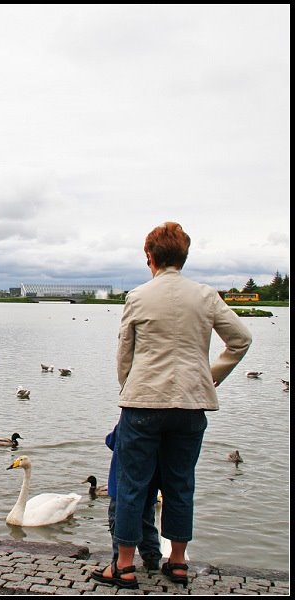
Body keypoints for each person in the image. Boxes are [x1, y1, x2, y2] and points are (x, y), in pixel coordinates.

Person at [92, 222, 252, 589]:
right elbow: (241, 340)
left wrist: (130, 389)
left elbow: (124, 356)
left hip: (144, 403)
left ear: (149, 257)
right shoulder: (206, 296)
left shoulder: (138, 297)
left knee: (132, 485)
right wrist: (210, 375)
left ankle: (124, 566)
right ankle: (177, 563)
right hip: (191, 405)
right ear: (184, 256)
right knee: (180, 484)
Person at [105, 425, 161, 571]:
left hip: (120, 490)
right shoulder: (158, 434)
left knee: (118, 522)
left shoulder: (127, 425)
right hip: (148, 489)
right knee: (147, 524)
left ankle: (119, 561)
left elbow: (110, 441)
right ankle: (152, 558)